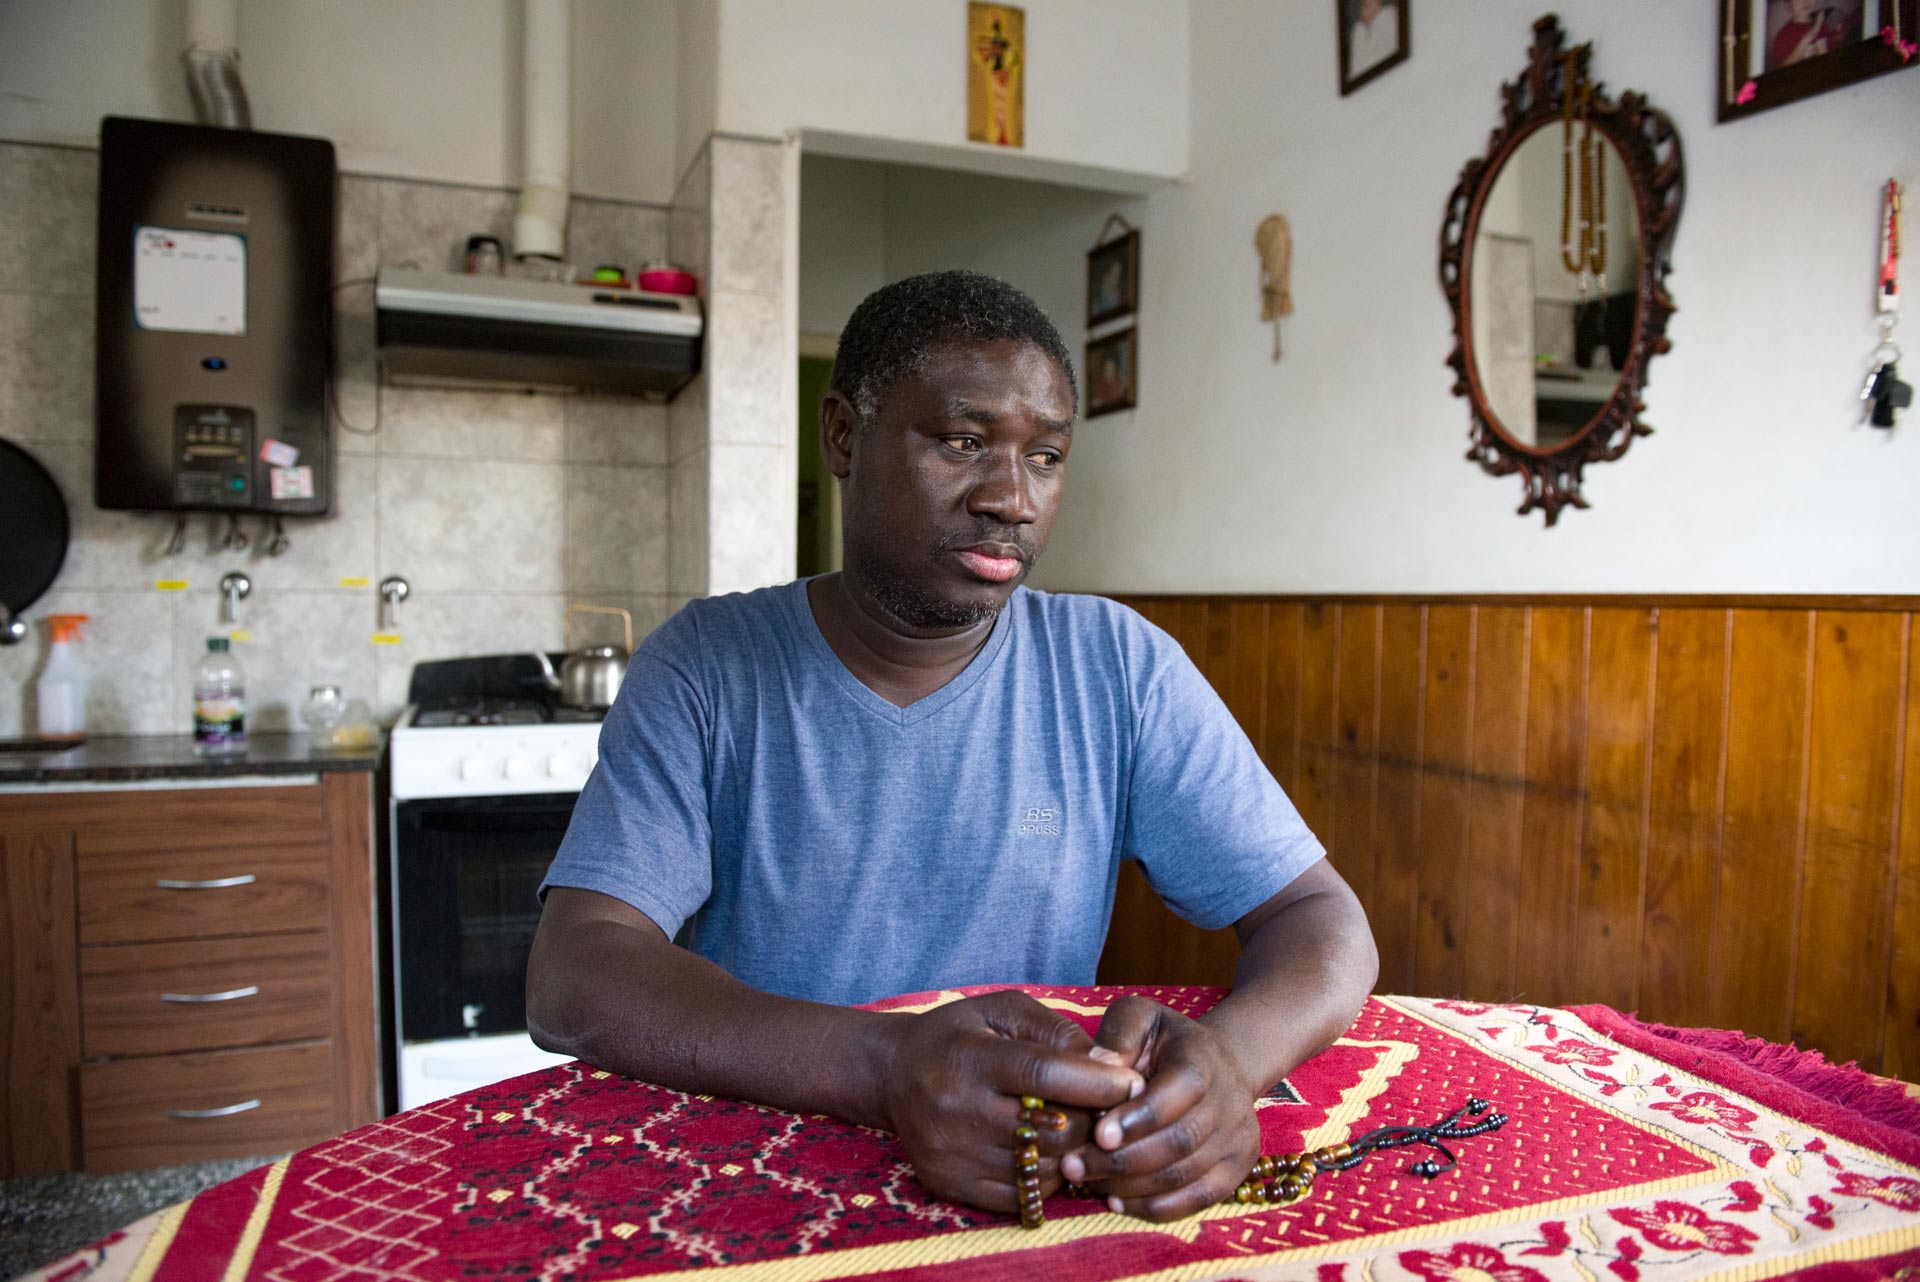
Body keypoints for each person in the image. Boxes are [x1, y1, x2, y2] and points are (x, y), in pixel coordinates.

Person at [526, 270, 1378, 1224]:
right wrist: (885, 1065)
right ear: (843, 437)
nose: (1011, 498)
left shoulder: (1117, 669)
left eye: (1046, 456)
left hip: (1025, 1186)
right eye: (963, 442)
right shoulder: (710, 667)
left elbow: (1322, 922)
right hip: (756, 1185)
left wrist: (1231, 1061)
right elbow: (578, 973)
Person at [1347, 0, 1400, 79]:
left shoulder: (1387, 16)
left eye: (1369, 5)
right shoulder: (1359, 31)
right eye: (1364, 6)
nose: (1365, 12)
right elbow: (1355, 66)